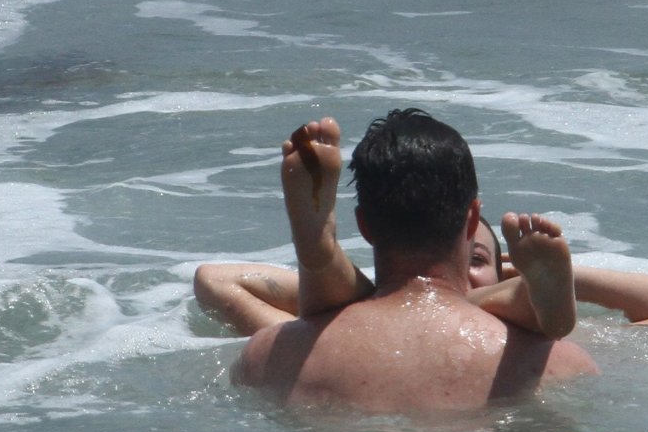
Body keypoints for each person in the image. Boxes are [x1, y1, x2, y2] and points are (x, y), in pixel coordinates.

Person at [229, 111, 599, 413]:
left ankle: (319, 257)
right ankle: (534, 297)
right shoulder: (557, 366)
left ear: (364, 226)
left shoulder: (268, 358)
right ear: (472, 219)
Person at [196, 179, 648, 335]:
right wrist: (360, 297)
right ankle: (324, 260)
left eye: (480, 261)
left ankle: (324, 259)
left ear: (506, 272)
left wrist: (566, 279)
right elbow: (215, 280)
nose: (465, 272)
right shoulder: (335, 330)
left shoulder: (319, 345)